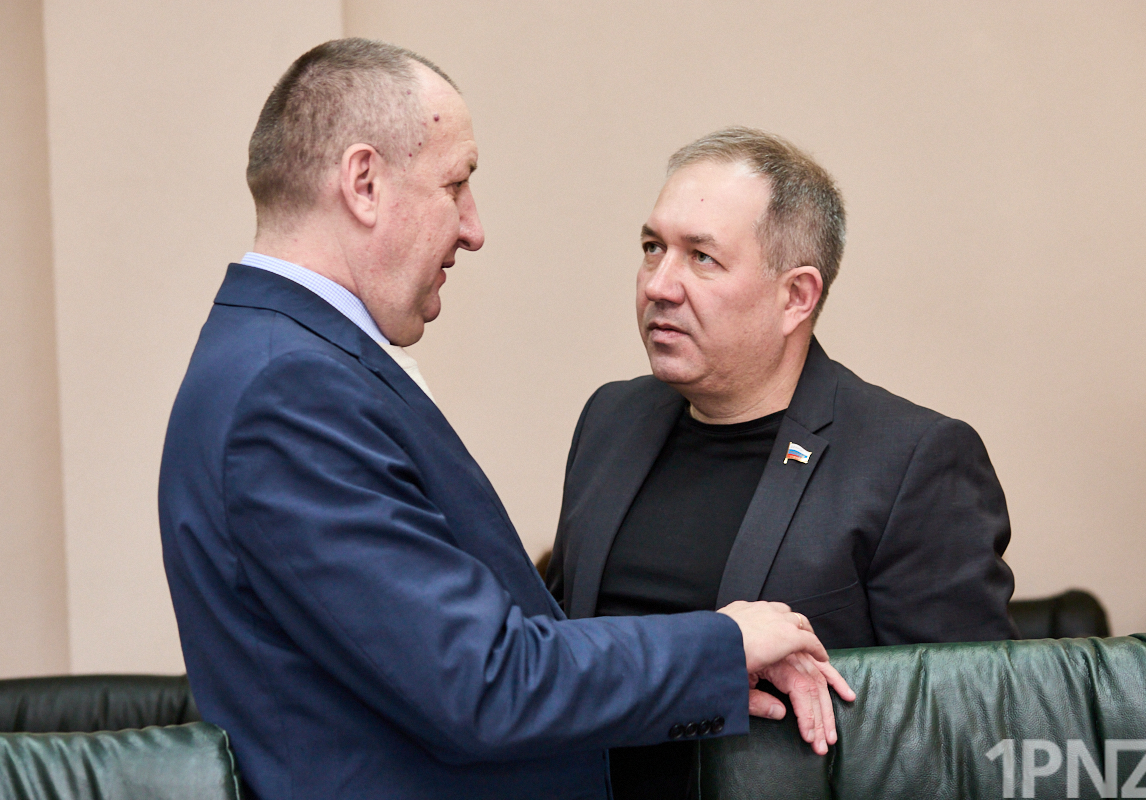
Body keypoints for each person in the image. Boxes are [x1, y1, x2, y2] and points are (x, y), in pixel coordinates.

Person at [158, 41, 854, 800]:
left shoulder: (278, 358)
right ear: (363, 183)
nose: (473, 227)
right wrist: (726, 642)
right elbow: (481, 681)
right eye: (456, 184)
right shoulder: (290, 389)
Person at [546, 127, 1016, 799]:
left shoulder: (913, 460)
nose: (660, 284)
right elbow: (560, 643)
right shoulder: (611, 419)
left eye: (702, 257)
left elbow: (963, 726)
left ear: (796, 296)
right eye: (653, 248)